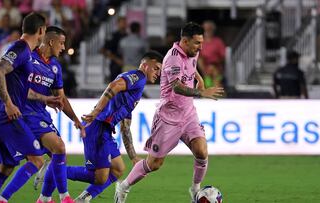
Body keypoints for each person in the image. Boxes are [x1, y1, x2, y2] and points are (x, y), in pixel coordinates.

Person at [0, 25, 80, 203]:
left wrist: (76, 119)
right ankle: (55, 198)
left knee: (10, 166)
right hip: (22, 114)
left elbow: (61, 98)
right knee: (47, 154)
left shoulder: (55, 67)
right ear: (51, 41)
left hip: (40, 115)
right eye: (61, 43)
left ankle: (44, 198)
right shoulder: (26, 54)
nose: (63, 47)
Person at [114, 22, 224, 203]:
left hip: (188, 115)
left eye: (201, 43)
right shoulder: (172, 58)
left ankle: (195, 191)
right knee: (154, 164)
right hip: (168, 119)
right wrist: (200, 92)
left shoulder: (192, 52)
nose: (200, 47)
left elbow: (191, 65)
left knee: (201, 151)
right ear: (185, 41)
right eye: (197, 43)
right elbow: (177, 87)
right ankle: (123, 187)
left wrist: (199, 79)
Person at [37, 51, 163, 203]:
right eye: (156, 68)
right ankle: (54, 168)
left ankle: (83, 199)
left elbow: (125, 127)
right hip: (97, 127)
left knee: (117, 169)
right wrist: (96, 111)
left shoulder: (135, 91)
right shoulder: (138, 77)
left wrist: (133, 157)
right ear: (145, 65)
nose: (158, 73)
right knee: (99, 177)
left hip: (105, 130)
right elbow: (113, 85)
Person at [198, 20, 226, 88]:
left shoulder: (218, 41)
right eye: (205, 29)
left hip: (216, 67)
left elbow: (223, 56)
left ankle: (214, 86)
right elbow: (197, 57)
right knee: (200, 60)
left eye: (209, 29)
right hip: (204, 68)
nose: (207, 30)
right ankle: (207, 83)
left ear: (213, 30)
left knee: (213, 69)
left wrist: (215, 65)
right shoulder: (199, 42)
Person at [101, 16, 127, 81]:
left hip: (127, 63)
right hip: (115, 64)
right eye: (122, 22)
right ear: (117, 24)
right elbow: (103, 50)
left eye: (125, 22)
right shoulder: (113, 36)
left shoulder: (128, 36)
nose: (123, 24)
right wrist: (116, 59)